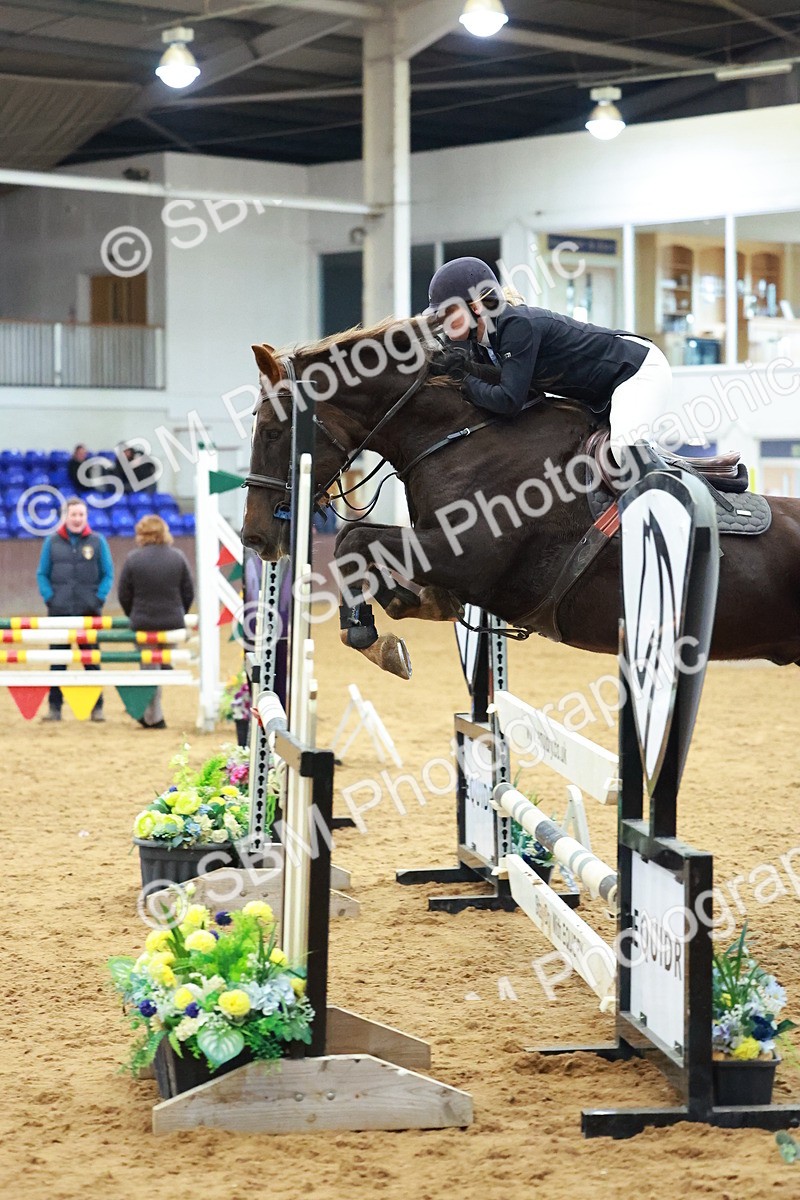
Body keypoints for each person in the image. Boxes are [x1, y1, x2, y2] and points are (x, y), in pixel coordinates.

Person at [425, 256, 674, 468]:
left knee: (624, 451)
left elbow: (509, 400)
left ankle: (683, 508)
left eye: (448, 312)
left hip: (637, 371)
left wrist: (462, 378)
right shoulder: (479, 344)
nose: (441, 321)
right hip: (601, 392)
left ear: (476, 307)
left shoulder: (516, 326)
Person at [36, 496, 114, 723]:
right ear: (66, 517)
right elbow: (42, 573)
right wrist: (50, 598)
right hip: (59, 613)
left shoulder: (98, 542)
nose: (77, 519)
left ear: (86, 517)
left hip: (89, 613)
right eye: (73, 515)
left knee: (92, 661)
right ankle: (54, 708)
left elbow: (108, 574)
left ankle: (97, 708)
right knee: (57, 662)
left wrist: (98, 599)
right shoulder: (51, 542)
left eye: (81, 514)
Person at [117, 514, 194, 729]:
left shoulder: (133, 558)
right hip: (172, 623)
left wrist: (133, 614)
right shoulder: (177, 557)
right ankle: (152, 713)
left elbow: (124, 594)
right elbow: (188, 591)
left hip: (143, 623)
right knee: (159, 667)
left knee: (148, 669)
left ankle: (153, 716)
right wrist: (179, 613)